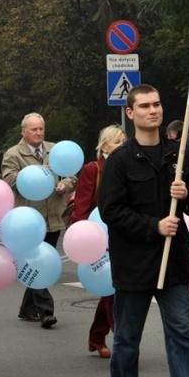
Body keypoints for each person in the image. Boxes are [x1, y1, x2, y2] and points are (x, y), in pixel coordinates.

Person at [99, 84, 189, 377]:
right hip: (135, 262)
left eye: (156, 104)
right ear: (130, 113)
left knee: (181, 332)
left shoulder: (178, 155)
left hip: (175, 261)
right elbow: (111, 211)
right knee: (127, 336)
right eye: (144, 106)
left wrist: (187, 194)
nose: (152, 111)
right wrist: (153, 226)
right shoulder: (120, 160)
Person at [1, 112, 76, 329]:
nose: (38, 133)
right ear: (23, 132)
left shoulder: (55, 150)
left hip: (53, 216)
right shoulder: (13, 154)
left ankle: (27, 308)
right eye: (33, 129)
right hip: (28, 220)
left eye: (41, 128)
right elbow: (9, 180)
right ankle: (46, 311)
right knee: (37, 262)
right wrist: (35, 172)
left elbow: (71, 174)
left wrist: (66, 184)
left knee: (41, 261)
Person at [69, 124, 126, 359]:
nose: (121, 146)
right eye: (116, 142)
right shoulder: (93, 169)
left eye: (124, 141)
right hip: (96, 237)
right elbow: (81, 206)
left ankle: (97, 336)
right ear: (104, 146)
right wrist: (81, 238)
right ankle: (123, 341)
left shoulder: (128, 167)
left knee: (111, 288)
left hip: (123, 233)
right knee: (113, 289)